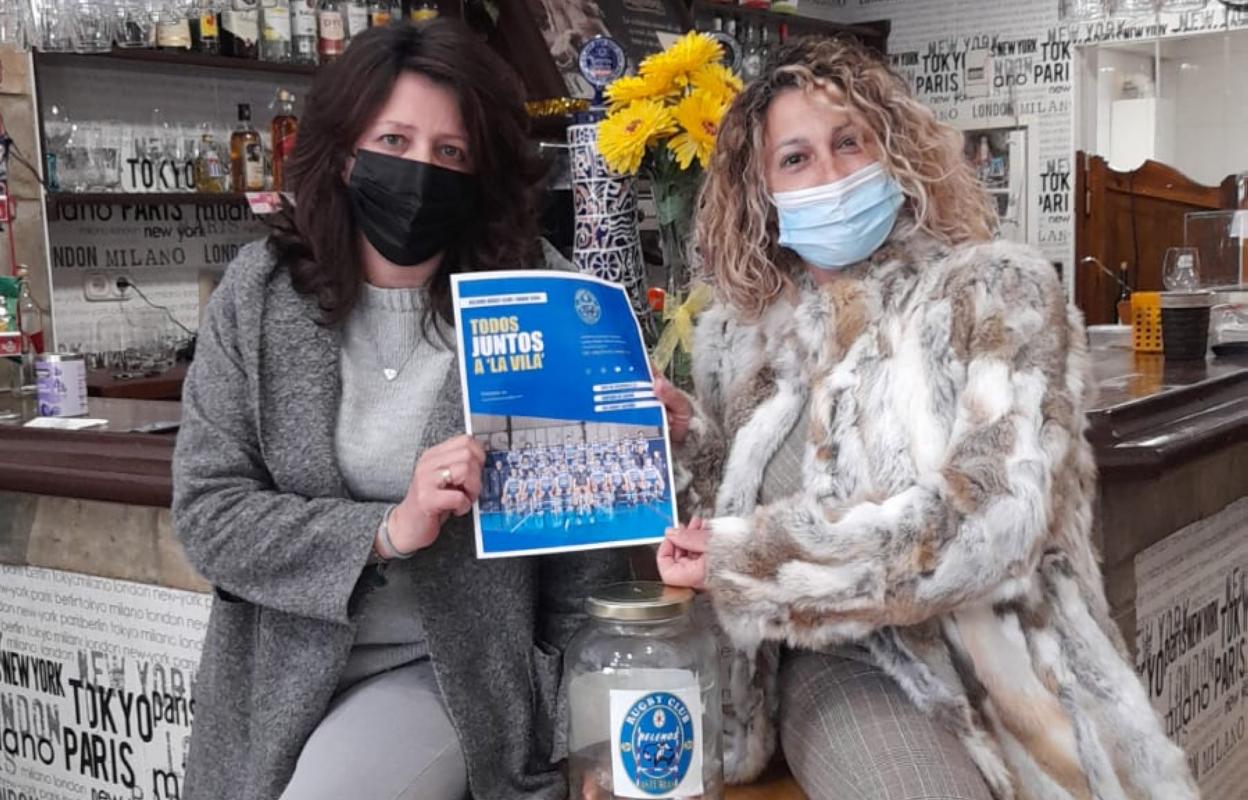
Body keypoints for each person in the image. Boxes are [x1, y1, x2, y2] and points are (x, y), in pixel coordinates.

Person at [653, 36, 1196, 800]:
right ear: (762, 192)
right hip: (846, 665)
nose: (833, 175)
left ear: (896, 154)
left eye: (850, 142)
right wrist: (689, 442)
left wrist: (751, 562)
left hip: (1002, 666)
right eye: (797, 159)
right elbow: (733, 514)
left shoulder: (994, 292)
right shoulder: (735, 339)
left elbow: (992, 520)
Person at [172, 21, 625, 800]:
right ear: (346, 151)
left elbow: (584, 555)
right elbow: (209, 514)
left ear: (480, 169)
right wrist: (385, 531)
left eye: (450, 152)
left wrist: (584, 734)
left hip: (451, 675)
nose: (420, 171)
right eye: (395, 139)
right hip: (273, 677)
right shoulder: (257, 295)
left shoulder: (537, 295)